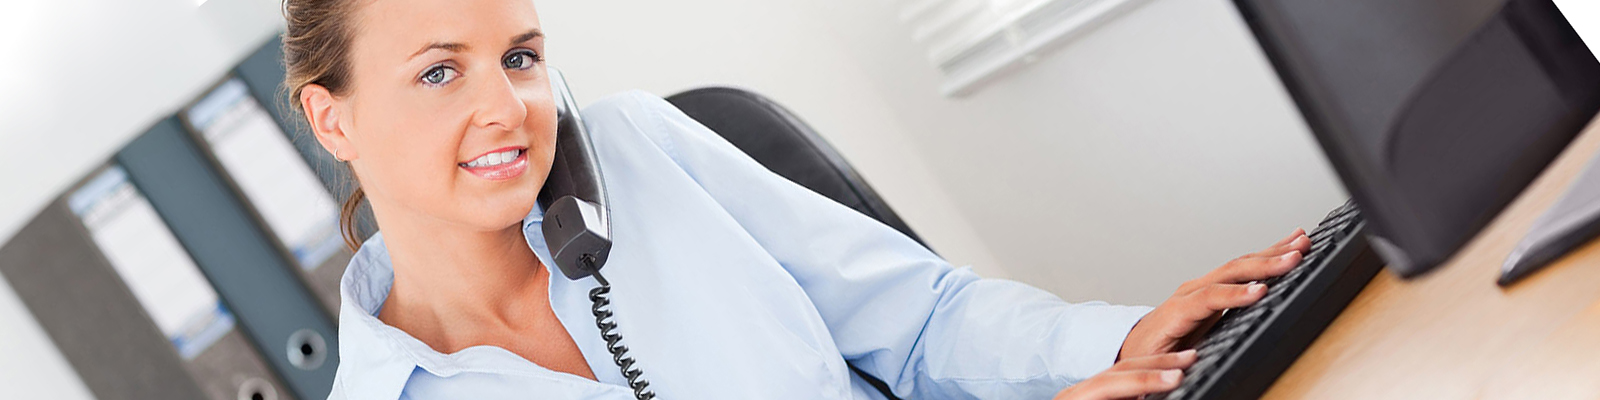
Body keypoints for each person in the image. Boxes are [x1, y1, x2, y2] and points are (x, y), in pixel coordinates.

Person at [282, 0, 1310, 398]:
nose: (508, 107)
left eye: (521, 56)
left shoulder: (634, 150)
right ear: (332, 120)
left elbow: (925, 321)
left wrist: (1122, 342)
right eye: (437, 73)